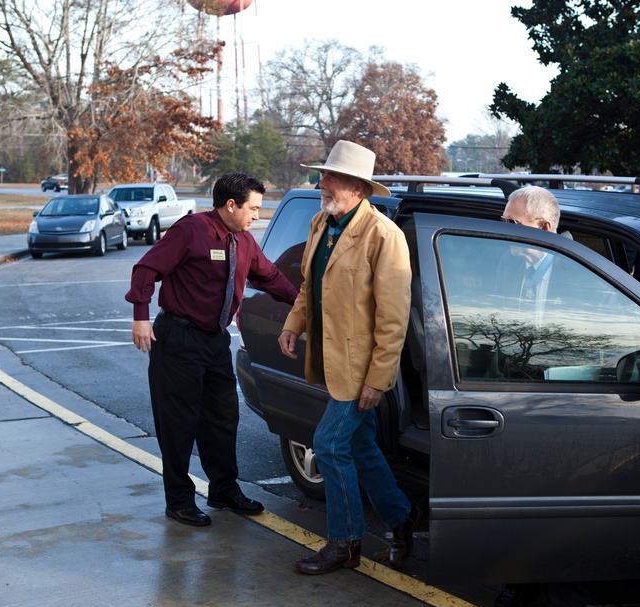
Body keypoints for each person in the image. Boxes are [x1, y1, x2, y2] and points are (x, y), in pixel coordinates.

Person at [125, 172, 298, 527]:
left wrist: (303, 305)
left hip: (215, 341)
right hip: (178, 339)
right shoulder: (191, 230)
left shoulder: (244, 241)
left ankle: (224, 490)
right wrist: (140, 316)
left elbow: (270, 277)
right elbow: (146, 268)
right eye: (253, 208)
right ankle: (179, 500)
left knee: (222, 418)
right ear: (231, 205)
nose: (257, 216)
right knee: (178, 424)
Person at [278, 140, 419, 575]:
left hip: (361, 370)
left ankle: (344, 542)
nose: (321, 182)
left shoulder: (384, 236)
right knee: (359, 445)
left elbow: (394, 320)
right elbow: (309, 285)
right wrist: (292, 324)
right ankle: (401, 521)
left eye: (330, 176)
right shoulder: (322, 222)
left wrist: (378, 380)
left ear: (356, 187)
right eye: (322, 174)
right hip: (330, 362)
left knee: (329, 444)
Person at [492, 185, 587, 607]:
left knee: (552, 505)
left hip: (564, 406)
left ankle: (566, 603)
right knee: (513, 497)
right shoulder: (515, 267)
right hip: (517, 398)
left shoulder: (582, 272)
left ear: (544, 228)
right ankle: (522, 578)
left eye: (512, 224)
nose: (503, 231)